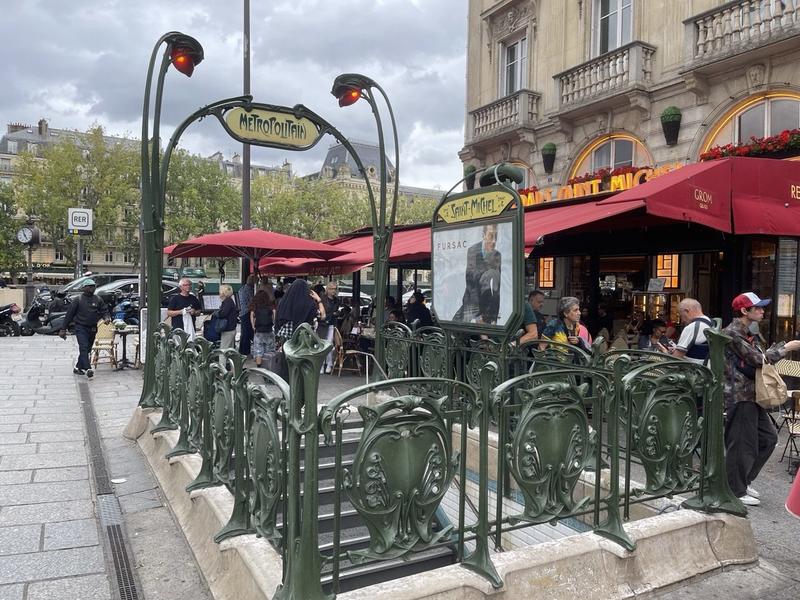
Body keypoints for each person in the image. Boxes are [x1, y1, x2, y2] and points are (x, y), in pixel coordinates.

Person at [723, 292, 800, 506]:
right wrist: (786, 348)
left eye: (761, 307)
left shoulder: (748, 332)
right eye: (757, 308)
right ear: (744, 311)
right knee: (742, 443)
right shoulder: (733, 333)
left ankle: (742, 481)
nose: (762, 310)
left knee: (768, 439)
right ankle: (735, 490)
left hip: (753, 393)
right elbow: (759, 360)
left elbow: (761, 358)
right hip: (740, 394)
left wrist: (780, 348)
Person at [59, 279, 111, 378]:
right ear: (84, 288)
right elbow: (69, 315)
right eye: (90, 286)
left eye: (93, 286)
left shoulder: (98, 299)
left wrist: (106, 317)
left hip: (92, 328)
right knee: (83, 347)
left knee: (87, 349)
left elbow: (104, 311)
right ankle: (88, 368)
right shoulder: (78, 300)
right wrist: (63, 329)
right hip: (80, 327)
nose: (92, 288)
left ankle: (78, 367)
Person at [454, 224, 501, 324]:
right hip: (471, 303)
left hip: (487, 306)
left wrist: (494, 317)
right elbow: (471, 281)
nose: (493, 241)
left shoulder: (497, 255)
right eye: (491, 236)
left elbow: (497, 289)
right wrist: (477, 316)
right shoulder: (473, 251)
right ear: (483, 235)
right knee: (457, 328)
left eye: (496, 236)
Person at [275, 279, 323, 345]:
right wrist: (319, 300)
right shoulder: (310, 304)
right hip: (305, 340)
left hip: (287, 339)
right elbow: (323, 316)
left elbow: (277, 320)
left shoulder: (283, 303)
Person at [671, 298, 714, 365]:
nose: (682, 321)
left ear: (687, 311)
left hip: (693, 371)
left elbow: (676, 358)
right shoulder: (712, 323)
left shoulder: (692, 327)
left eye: (681, 315)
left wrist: (666, 353)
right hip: (708, 368)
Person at [249, 289, 276, 368]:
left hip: (259, 332)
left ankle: (259, 369)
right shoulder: (271, 308)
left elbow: (252, 321)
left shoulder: (254, 308)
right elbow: (274, 319)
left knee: (258, 351)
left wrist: (254, 327)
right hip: (269, 331)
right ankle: (269, 368)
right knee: (269, 351)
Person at [319, 282, 341, 374]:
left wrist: (336, 314)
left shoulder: (336, 300)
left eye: (335, 289)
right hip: (322, 324)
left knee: (329, 344)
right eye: (331, 288)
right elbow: (321, 311)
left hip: (332, 323)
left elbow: (336, 311)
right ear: (327, 289)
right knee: (321, 344)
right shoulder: (322, 299)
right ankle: (321, 365)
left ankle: (329, 364)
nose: (333, 290)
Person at [238, 274, 257, 356]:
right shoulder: (249, 290)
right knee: (247, 332)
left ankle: (242, 350)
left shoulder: (242, 288)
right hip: (247, 312)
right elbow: (252, 301)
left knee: (244, 332)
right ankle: (246, 351)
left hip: (242, 312)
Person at [217, 285, 238, 352]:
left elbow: (223, 314)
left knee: (223, 350)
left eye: (220, 291)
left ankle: (222, 363)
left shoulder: (227, 302)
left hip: (228, 329)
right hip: (231, 328)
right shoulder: (230, 301)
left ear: (223, 293)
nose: (219, 293)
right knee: (230, 350)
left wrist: (216, 313)